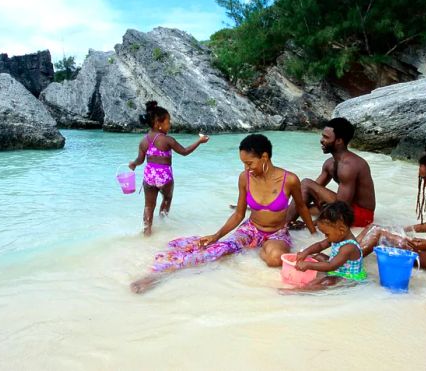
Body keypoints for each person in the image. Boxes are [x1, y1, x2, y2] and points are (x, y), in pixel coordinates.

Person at [130, 134, 316, 293]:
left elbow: (301, 206)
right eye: (243, 163)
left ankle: (258, 249)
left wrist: (314, 234)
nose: (246, 168)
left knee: (275, 260)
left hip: (277, 233)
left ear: (264, 157)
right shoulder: (245, 179)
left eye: (249, 163)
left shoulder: (289, 179)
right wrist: (216, 235)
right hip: (251, 229)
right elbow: (239, 214)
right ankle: (157, 276)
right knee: (217, 251)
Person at [129, 101, 209, 236]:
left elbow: (140, 160)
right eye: (168, 121)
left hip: (149, 177)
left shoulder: (144, 141)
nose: (170, 124)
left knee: (148, 205)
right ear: (158, 125)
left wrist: (134, 164)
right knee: (167, 198)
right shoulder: (167, 140)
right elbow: (184, 152)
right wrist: (199, 142)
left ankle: (147, 231)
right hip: (164, 177)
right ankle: (163, 223)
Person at [287, 117, 376, 228]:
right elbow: (311, 191)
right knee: (303, 208)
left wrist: (312, 224)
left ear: (339, 141)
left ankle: (281, 228)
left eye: (326, 137)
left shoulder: (349, 166)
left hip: (361, 216)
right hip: (346, 207)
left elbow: (342, 207)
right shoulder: (330, 163)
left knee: (305, 183)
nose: (321, 140)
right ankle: (283, 221)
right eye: (322, 136)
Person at [285, 201, 367, 292]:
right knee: (319, 256)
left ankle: (299, 291)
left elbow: (331, 266)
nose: (325, 237)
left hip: (347, 277)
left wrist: (308, 265)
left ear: (341, 230)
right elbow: (320, 245)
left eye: (327, 234)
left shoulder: (348, 247)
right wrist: (306, 252)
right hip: (336, 268)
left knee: (326, 281)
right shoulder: (337, 236)